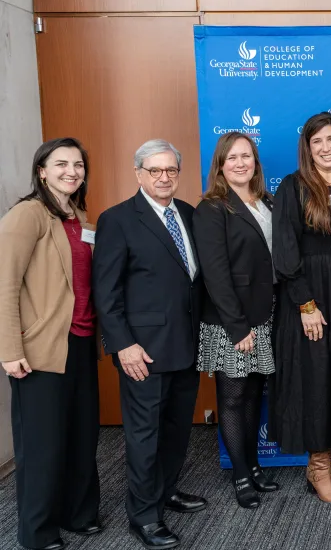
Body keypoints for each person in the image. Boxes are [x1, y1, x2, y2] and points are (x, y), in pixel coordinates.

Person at [93, 139, 206, 550]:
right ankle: (143, 516)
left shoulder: (190, 215)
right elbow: (105, 293)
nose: (163, 178)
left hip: (187, 346)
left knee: (177, 431)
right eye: (155, 170)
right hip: (143, 352)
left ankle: (166, 492)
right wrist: (123, 345)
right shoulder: (118, 220)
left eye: (171, 170)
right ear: (138, 173)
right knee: (144, 437)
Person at [0, 139, 100, 550]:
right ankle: (37, 532)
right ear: (42, 170)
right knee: (42, 446)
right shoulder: (27, 214)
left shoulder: (79, 216)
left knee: (81, 435)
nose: (71, 171)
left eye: (78, 164)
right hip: (39, 348)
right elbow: (4, 286)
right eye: (61, 164)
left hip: (80, 342)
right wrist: (9, 351)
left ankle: (78, 513)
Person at [271, 112, 331, 503]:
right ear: (307, 149)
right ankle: (318, 466)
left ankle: (328, 460)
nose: (326, 147)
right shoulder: (292, 187)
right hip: (308, 296)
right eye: (317, 142)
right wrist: (306, 304)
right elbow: (285, 250)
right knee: (314, 378)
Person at [193, 132, 278, 510]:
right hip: (234, 320)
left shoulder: (267, 202)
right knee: (232, 396)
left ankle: (254, 464)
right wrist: (237, 327)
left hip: (267, 312)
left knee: (253, 393)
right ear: (221, 165)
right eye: (233, 158)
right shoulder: (211, 208)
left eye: (247, 156)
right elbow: (215, 273)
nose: (241, 163)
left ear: (255, 163)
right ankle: (240, 475)